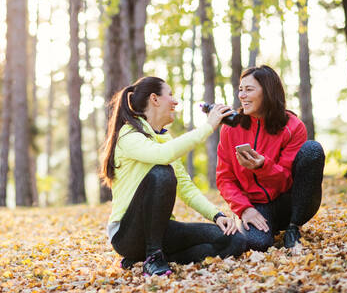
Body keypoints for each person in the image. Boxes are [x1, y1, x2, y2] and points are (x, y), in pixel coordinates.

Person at [100, 76, 247, 277]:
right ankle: (152, 257)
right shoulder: (129, 135)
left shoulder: (164, 137)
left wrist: (217, 215)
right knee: (162, 172)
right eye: (170, 94)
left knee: (234, 240)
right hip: (127, 234)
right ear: (155, 99)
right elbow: (163, 155)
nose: (175, 101)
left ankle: (145, 258)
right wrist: (208, 126)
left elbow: (185, 187)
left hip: (160, 229)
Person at [216, 65, 325, 252]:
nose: (241, 95)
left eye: (249, 90)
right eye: (240, 90)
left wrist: (262, 166)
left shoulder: (293, 126)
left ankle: (293, 228)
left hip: (293, 201)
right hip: (257, 206)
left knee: (312, 149)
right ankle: (268, 227)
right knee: (258, 244)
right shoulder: (230, 128)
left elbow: (286, 181)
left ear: (267, 92)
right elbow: (224, 178)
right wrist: (244, 209)